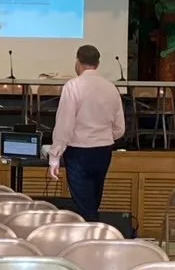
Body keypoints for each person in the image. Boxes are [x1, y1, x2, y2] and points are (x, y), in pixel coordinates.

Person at [49, 44, 125, 223]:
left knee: (84, 204)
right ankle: (93, 236)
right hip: (103, 150)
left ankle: (91, 239)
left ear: (78, 62)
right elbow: (120, 127)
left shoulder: (73, 86)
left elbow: (64, 125)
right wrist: (103, 136)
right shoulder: (111, 88)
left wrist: (54, 155)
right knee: (94, 199)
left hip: (78, 151)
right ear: (97, 64)